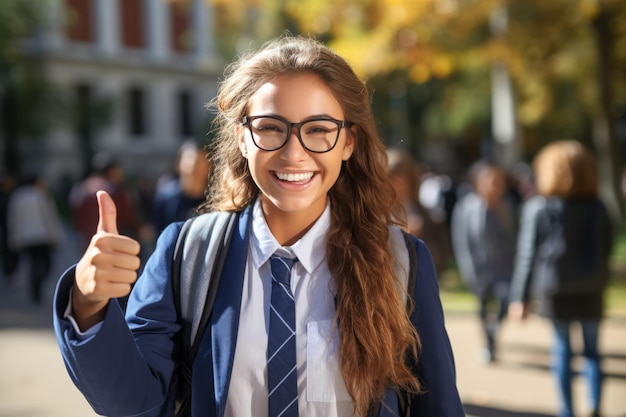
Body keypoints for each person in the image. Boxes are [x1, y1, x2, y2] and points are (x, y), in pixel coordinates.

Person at [52, 35, 464, 417]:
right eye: (270, 128)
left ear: (348, 143)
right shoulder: (187, 254)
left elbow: (438, 407)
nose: (293, 153)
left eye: (318, 130)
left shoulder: (400, 261)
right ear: (243, 138)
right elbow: (134, 403)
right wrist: (88, 304)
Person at [508, 140, 614, 417]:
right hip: (592, 287)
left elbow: (526, 255)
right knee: (592, 351)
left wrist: (519, 297)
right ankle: (594, 406)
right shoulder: (599, 207)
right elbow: (607, 248)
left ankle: (567, 411)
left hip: (554, 290)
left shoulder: (538, 208)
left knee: (563, 351)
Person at [451, 161, 518, 363]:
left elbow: (516, 236)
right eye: (490, 180)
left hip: (505, 267)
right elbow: (462, 241)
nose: (495, 185)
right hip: (479, 268)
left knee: (505, 304)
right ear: (480, 182)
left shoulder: (508, 206)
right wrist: (469, 269)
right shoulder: (467, 207)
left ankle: (493, 331)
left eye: (499, 181)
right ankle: (488, 343)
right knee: (483, 306)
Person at [386, 148, 451, 274]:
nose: (399, 185)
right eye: (393, 179)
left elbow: (442, 255)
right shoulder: (373, 215)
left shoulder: (427, 216)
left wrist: (418, 242)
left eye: (403, 180)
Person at [6, 174, 63, 303]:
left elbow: (13, 218)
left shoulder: (17, 195)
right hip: (42, 236)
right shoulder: (40, 194)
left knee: (33, 263)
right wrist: (55, 235)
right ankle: (37, 286)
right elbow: (49, 216)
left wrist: (13, 238)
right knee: (47, 264)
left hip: (25, 237)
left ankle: (35, 287)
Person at [151, 140, 212, 234]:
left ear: (208, 167)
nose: (193, 168)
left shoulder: (218, 201)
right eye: (189, 163)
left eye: (199, 163)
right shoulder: (166, 198)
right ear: (179, 165)